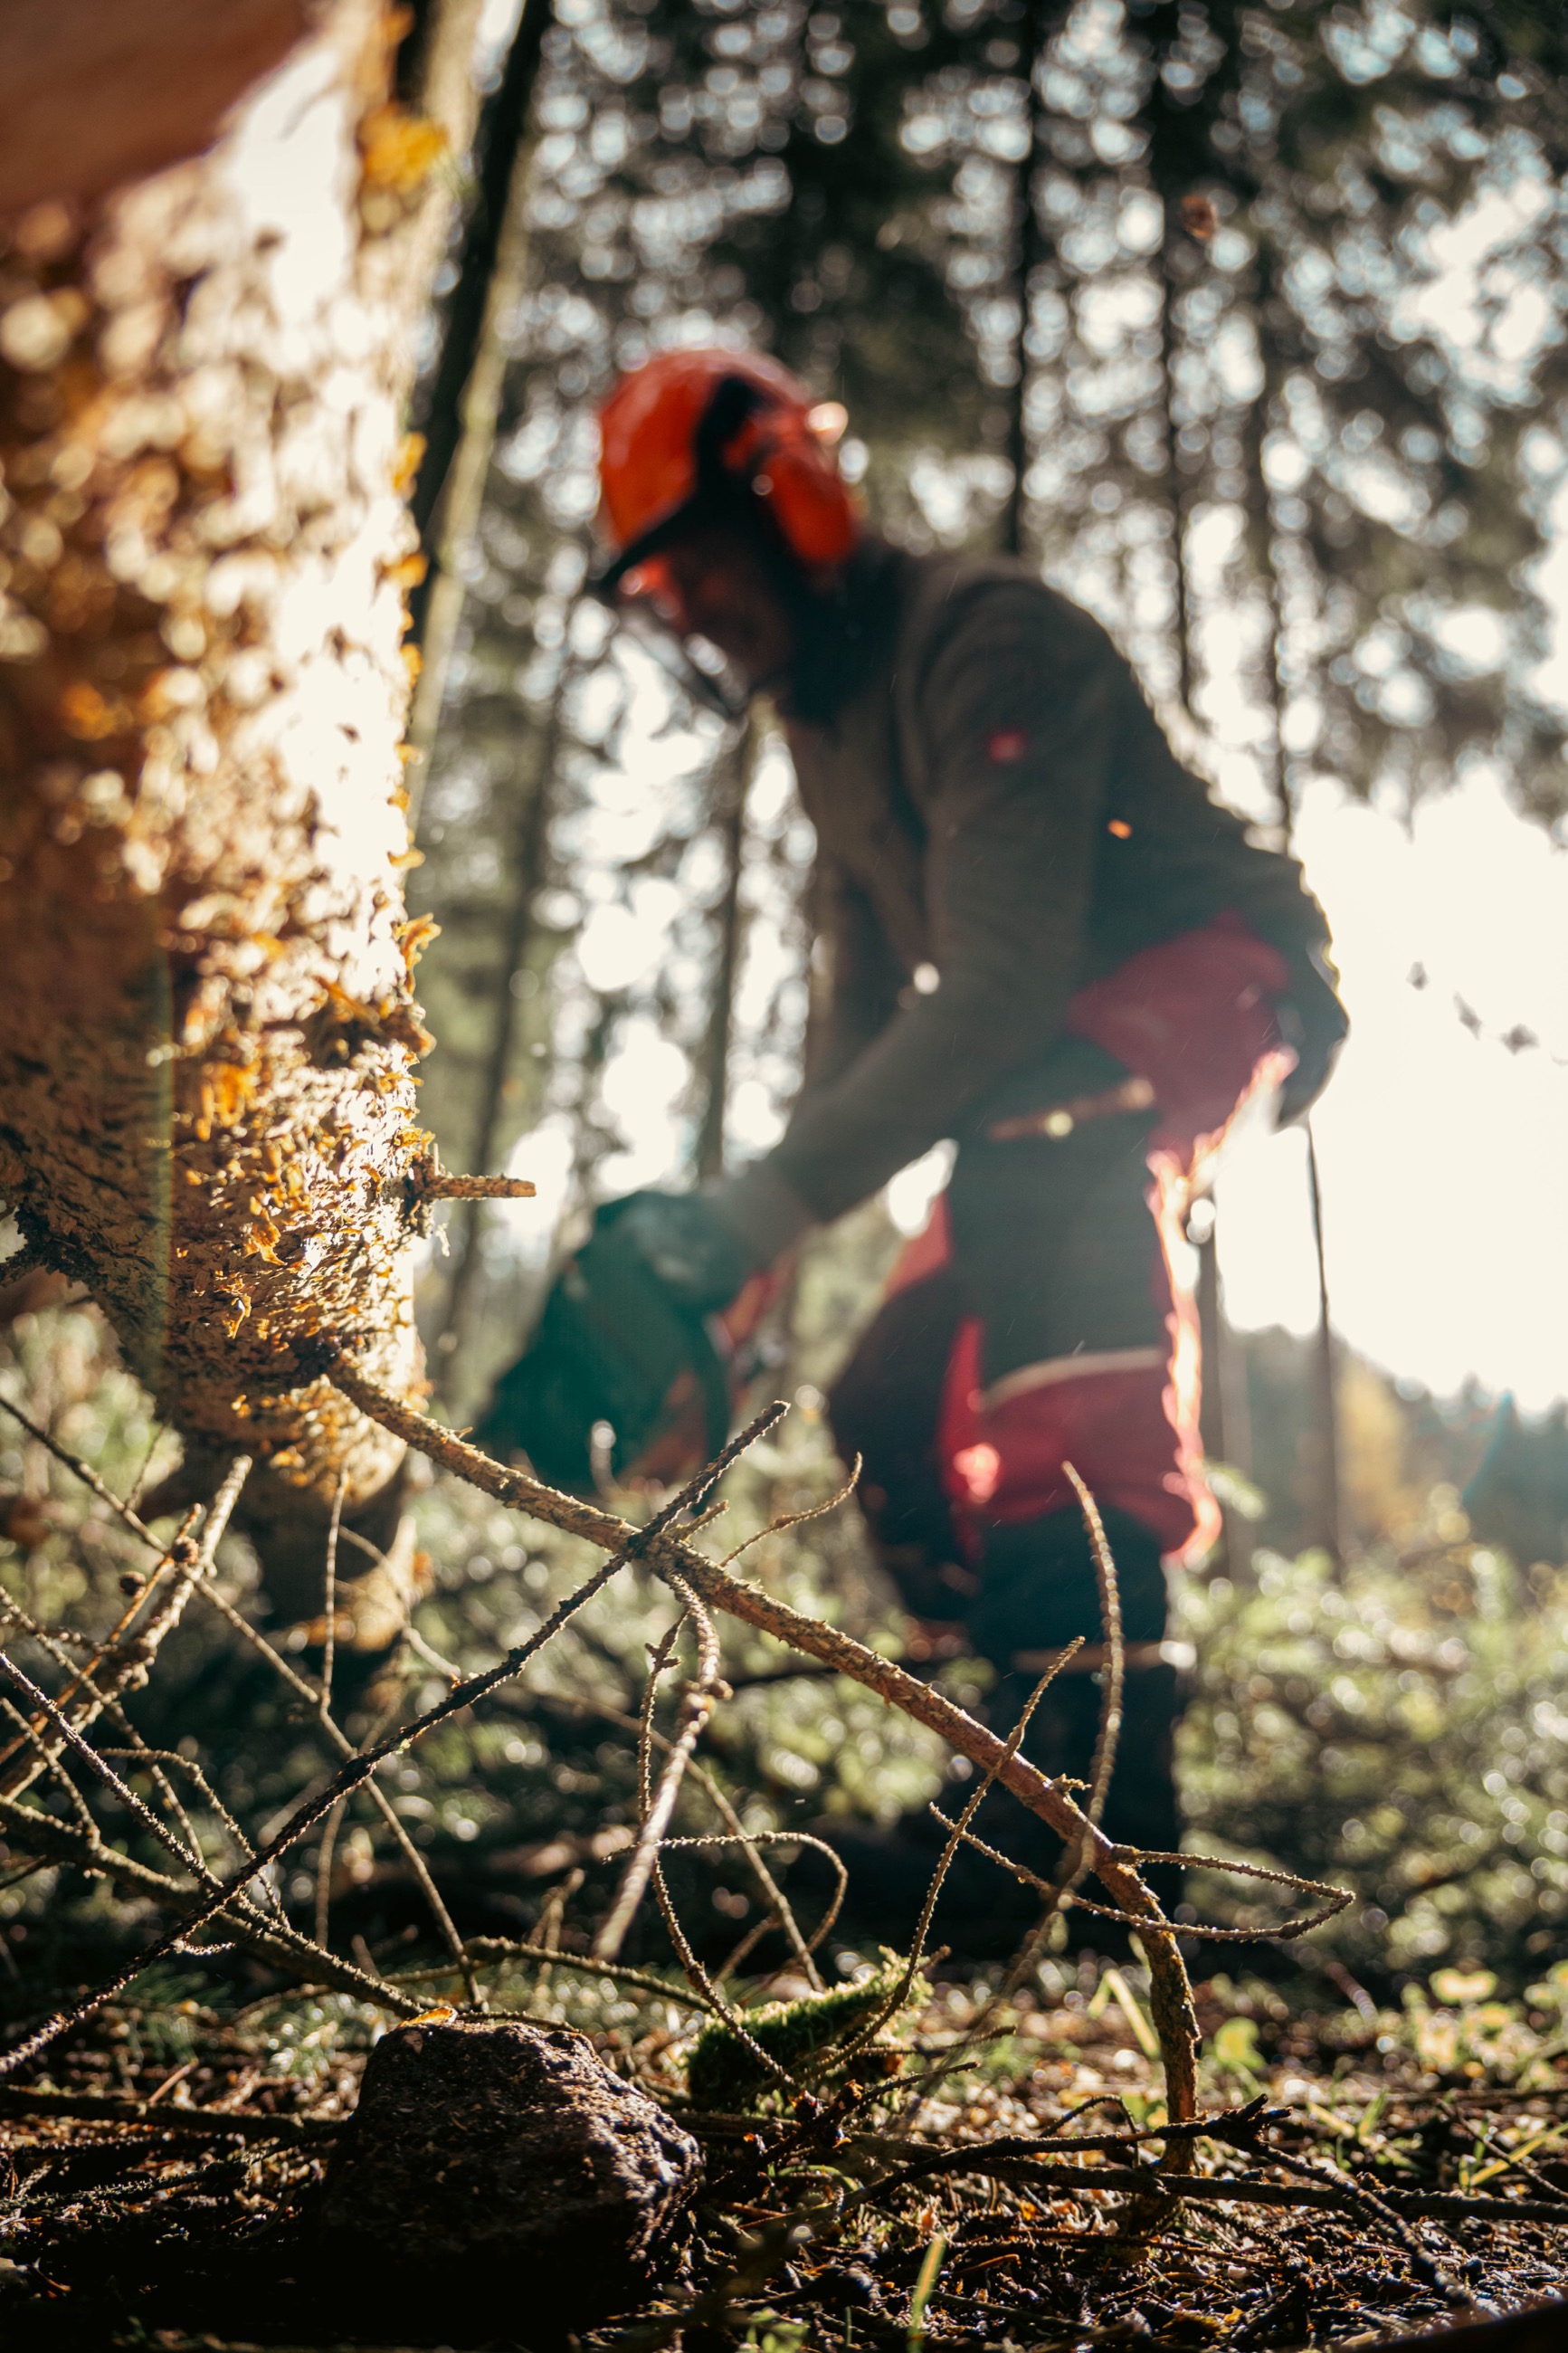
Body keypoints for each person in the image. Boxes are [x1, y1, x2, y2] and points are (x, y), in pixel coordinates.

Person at [479, 347, 1346, 1941]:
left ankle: (1093, 1803)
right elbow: (863, 1012)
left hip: (1209, 968)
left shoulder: (983, 641)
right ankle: (1002, 1741)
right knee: (889, 1401)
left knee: (1044, 1147)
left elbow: (1005, 981)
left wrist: (757, 1210)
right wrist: (754, 1261)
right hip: (1048, 1055)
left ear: (791, 502)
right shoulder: (825, 720)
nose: (687, 612)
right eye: (661, 588)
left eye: (703, 567)